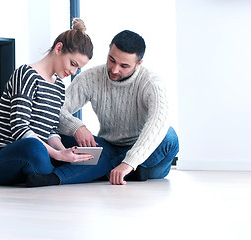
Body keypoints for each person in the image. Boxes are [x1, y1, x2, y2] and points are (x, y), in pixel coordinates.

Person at [26, 30, 179, 187]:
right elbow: (55, 110)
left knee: (169, 137)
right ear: (108, 50)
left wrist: (129, 162)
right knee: (62, 138)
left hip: (148, 160)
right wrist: (76, 126)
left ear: (138, 64)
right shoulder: (90, 77)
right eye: (111, 60)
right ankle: (109, 170)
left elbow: (158, 123)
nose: (114, 70)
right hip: (109, 146)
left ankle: (112, 169)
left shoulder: (152, 83)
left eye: (124, 66)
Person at [0, 18, 94, 186]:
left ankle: (47, 174)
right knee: (34, 148)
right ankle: (59, 174)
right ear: (59, 48)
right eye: (72, 63)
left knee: (90, 154)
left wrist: (65, 152)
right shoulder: (26, 74)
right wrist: (58, 155)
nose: (73, 71)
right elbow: (20, 128)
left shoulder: (59, 87)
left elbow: (51, 131)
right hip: (0, 156)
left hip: (37, 152)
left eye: (78, 68)